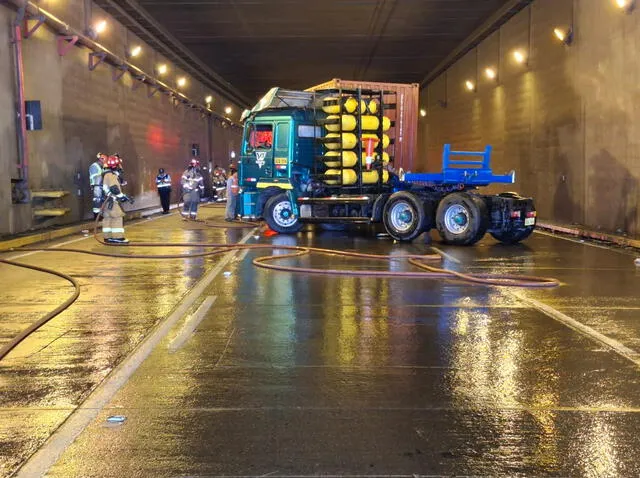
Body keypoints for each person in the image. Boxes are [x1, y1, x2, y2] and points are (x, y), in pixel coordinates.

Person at [102, 155, 132, 244]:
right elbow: (114, 189)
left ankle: (108, 237)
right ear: (116, 166)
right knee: (117, 216)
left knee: (108, 218)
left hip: (107, 202)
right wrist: (123, 196)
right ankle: (118, 237)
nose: (121, 167)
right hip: (112, 201)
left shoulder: (107, 174)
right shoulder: (111, 175)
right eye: (119, 165)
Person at [89, 152, 107, 219]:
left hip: (101, 185)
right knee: (97, 200)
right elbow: (96, 177)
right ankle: (96, 215)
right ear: (101, 159)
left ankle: (100, 214)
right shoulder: (94, 166)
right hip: (96, 185)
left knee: (102, 200)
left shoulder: (101, 166)